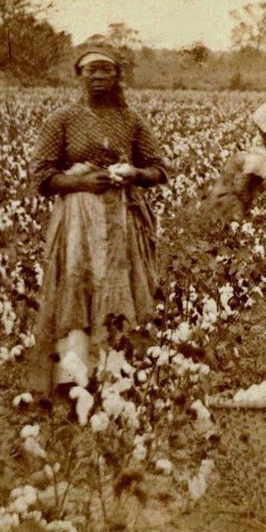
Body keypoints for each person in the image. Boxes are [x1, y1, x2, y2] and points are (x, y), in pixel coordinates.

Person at [28, 39, 168, 395]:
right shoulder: (62, 119)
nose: (99, 76)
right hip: (77, 219)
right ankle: (73, 375)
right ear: (80, 74)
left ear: (117, 75)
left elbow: (158, 169)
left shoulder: (130, 119)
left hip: (122, 218)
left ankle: (116, 370)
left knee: (118, 283)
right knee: (78, 281)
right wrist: (81, 182)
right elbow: (42, 177)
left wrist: (134, 174)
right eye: (92, 69)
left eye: (106, 69)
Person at [204, 148, 266, 224]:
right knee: (233, 192)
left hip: (248, 170)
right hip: (240, 167)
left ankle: (233, 218)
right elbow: (241, 182)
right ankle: (217, 215)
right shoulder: (262, 169)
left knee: (247, 198)